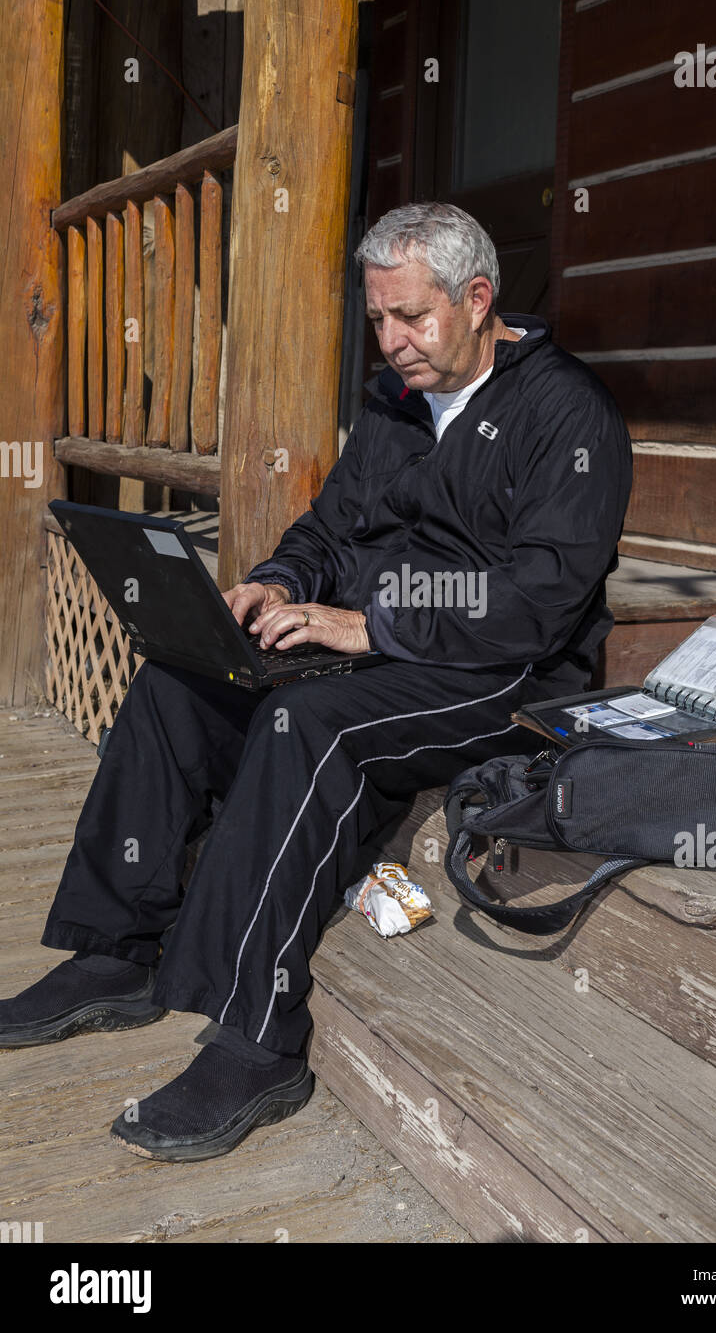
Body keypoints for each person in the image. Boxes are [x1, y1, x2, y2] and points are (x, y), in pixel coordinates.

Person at [0, 203, 632, 1162]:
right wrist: (283, 582)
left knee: (309, 723)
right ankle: (115, 951)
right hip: (375, 644)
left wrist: (370, 623)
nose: (393, 341)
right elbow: (334, 525)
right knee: (182, 680)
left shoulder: (568, 415)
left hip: (504, 674)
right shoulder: (395, 400)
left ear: (478, 299)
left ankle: (258, 1037)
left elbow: (535, 602)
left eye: (412, 318)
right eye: (378, 319)